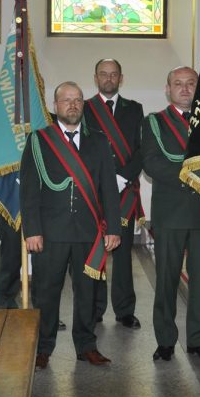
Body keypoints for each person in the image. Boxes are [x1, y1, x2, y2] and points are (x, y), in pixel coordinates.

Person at [20, 81, 121, 370]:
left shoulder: (99, 141)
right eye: (66, 100)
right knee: (46, 292)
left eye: (77, 99)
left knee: (87, 293)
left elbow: (109, 191)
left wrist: (113, 227)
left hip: (89, 233)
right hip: (49, 233)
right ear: (55, 106)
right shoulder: (39, 140)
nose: (73, 104)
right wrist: (32, 230)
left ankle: (86, 345)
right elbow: (29, 189)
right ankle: (43, 346)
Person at [141, 66, 200, 362]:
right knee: (166, 279)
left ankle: (195, 339)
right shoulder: (154, 123)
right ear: (168, 89)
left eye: (191, 83)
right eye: (178, 83)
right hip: (170, 214)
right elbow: (152, 163)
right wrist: (192, 175)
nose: (185, 88)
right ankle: (165, 339)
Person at [83, 58, 144, 329]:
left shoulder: (135, 109)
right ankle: (95, 308)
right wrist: (100, 182)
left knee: (123, 251)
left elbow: (141, 149)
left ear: (121, 78)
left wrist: (122, 178)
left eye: (114, 74)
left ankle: (124, 309)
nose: (109, 78)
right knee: (95, 249)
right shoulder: (84, 109)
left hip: (123, 192)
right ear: (96, 78)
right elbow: (80, 149)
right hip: (94, 192)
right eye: (104, 74)